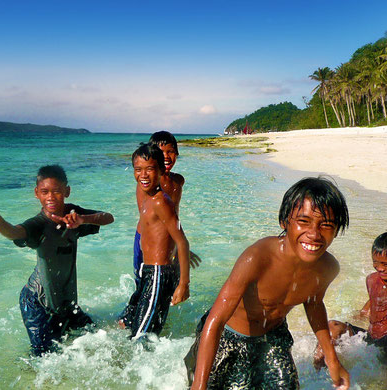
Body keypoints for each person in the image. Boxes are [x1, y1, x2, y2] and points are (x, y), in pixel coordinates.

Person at [185, 177, 351, 390]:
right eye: (303, 221)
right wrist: (199, 385)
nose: (314, 234)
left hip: (273, 338)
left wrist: (333, 361)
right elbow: (215, 321)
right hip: (226, 337)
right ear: (284, 222)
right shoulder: (258, 258)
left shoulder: (328, 268)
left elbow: (314, 304)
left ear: (337, 229)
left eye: (326, 225)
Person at [0, 165, 114, 355]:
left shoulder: (74, 214)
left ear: (67, 191)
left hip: (66, 303)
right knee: (43, 356)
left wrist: (83, 219)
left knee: (101, 338)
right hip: (37, 303)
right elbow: (13, 232)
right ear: (37, 193)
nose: (50, 197)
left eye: (57, 191)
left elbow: (108, 218)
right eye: (44, 192)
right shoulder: (38, 225)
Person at [118, 143, 190, 338]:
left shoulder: (160, 201)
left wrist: (184, 283)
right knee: (133, 325)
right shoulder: (147, 198)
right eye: (138, 170)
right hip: (148, 271)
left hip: (159, 273)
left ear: (160, 171)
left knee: (141, 337)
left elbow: (181, 241)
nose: (143, 175)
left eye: (149, 169)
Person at [132, 131, 199, 288]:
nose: (167, 156)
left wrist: (180, 245)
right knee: (145, 285)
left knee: (170, 283)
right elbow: (146, 219)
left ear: (177, 153)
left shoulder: (178, 181)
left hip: (170, 240)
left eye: (171, 151)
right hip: (147, 240)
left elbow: (174, 216)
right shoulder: (148, 182)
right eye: (161, 152)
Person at [314, 232, 387, 368]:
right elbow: (374, 300)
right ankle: (318, 370)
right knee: (332, 326)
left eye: (385, 264)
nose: (380, 268)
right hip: (370, 338)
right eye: (376, 263)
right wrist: (362, 313)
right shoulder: (371, 279)